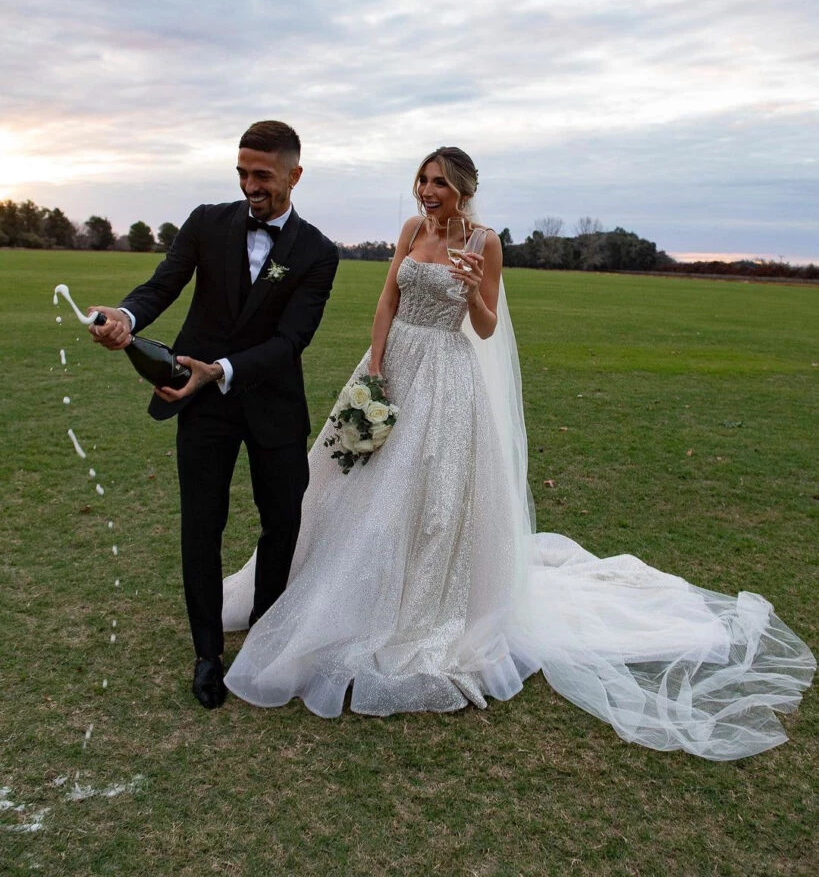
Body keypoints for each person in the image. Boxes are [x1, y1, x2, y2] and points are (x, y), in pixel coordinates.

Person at [222, 145, 815, 759]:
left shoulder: (485, 242)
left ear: (464, 191)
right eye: (423, 181)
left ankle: (411, 608)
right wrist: (374, 366)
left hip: (446, 378)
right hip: (391, 363)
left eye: (440, 186)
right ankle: (305, 584)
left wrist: (476, 291)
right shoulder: (410, 229)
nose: (428, 193)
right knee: (345, 476)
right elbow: (387, 300)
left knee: (432, 492)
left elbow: (483, 327)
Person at [90, 121, 339, 709]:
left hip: (273, 406)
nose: (250, 186)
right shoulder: (207, 222)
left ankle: (268, 635)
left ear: (294, 175)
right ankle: (207, 652)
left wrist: (219, 368)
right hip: (199, 405)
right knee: (201, 525)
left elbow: (290, 341)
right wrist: (127, 316)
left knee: (283, 522)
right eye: (242, 173)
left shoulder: (318, 252)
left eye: (263, 176)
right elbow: (161, 286)